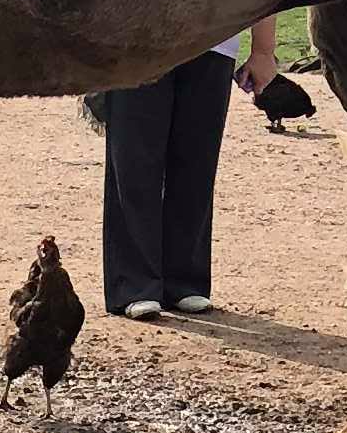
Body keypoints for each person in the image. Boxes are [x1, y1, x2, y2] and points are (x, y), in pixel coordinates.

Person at [101, 19, 281, 319]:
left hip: (215, 38)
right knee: (135, 161)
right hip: (135, 38)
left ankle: (184, 280)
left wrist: (263, 51)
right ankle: (134, 285)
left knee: (197, 163)